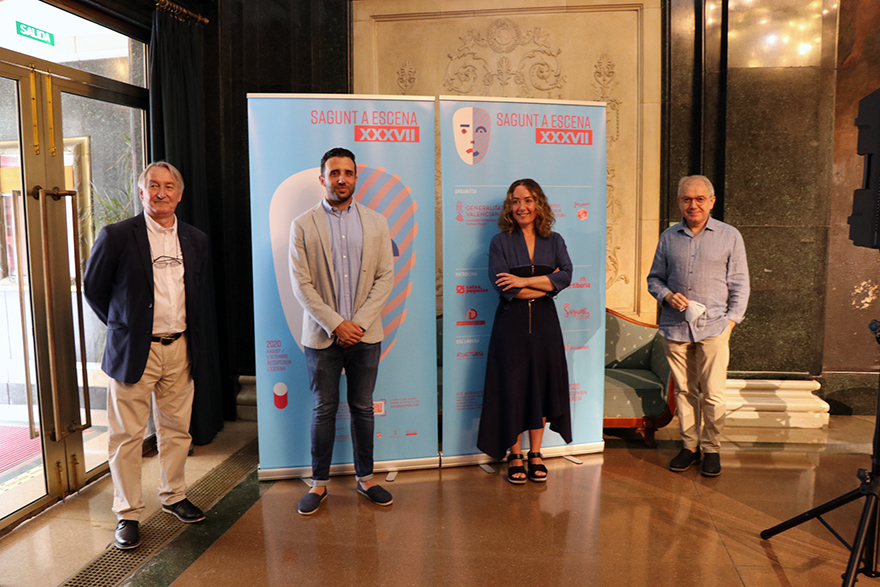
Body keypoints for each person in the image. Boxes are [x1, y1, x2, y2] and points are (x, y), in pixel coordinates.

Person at [83, 161, 209, 550]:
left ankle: (173, 495)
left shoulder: (195, 239)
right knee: (127, 436)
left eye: (169, 186)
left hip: (180, 348)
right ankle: (128, 513)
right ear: (141, 192)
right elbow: (94, 289)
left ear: (179, 194)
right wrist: (124, 327)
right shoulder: (118, 235)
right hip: (134, 351)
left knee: (177, 430)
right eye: (153, 185)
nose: (161, 193)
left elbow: (197, 292)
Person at [289, 147, 395, 515]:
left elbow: (385, 278)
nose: (341, 179)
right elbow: (301, 285)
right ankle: (318, 484)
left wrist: (358, 324)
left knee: (363, 408)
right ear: (323, 179)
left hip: (365, 335)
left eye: (348, 173)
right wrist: (336, 324)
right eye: (334, 173)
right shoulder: (303, 225)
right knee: (324, 409)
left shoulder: (377, 223)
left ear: (355, 178)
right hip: (322, 338)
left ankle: (366, 478)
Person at [647, 175, 750, 477]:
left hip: (715, 327)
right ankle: (689, 446)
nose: (693, 205)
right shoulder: (668, 237)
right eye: (687, 199)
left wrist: (731, 322)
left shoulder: (730, 236)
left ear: (711, 202)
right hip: (675, 327)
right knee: (684, 391)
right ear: (679, 202)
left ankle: (712, 448)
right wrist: (667, 296)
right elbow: (654, 278)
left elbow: (740, 283)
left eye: (700, 199)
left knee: (714, 393)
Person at [476, 179, 573, 483]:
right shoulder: (500, 242)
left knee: (541, 387)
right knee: (513, 388)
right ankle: (515, 453)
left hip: (546, 327)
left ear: (538, 204)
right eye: (515, 201)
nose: (522, 207)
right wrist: (545, 284)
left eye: (528, 200)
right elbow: (504, 286)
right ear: (510, 206)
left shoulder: (554, 240)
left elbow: (566, 275)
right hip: (510, 327)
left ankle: (536, 452)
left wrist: (523, 280)